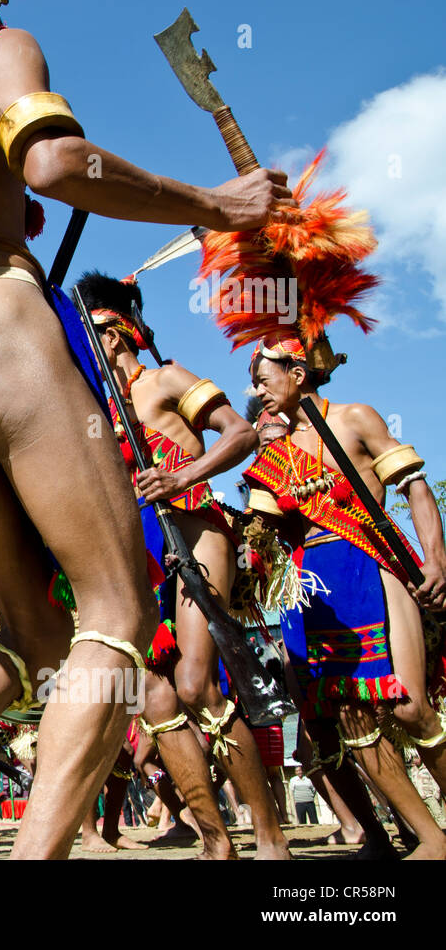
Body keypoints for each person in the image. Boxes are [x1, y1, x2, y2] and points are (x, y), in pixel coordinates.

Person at [0, 0, 292, 860]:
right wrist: (218, 204)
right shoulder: (1, 47)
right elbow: (57, 162)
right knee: (117, 613)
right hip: (0, 327)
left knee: (35, 632)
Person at [76, 270, 289, 859]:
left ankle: (271, 841)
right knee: (155, 697)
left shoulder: (167, 380)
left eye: (89, 333)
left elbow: (239, 434)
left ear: (115, 334)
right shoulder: (92, 407)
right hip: (138, 555)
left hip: (195, 530)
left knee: (196, 686)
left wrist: (180, 476)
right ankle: (217, 841)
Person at [247, 332, 446, 858]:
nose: (259, 393)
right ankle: (427, 839)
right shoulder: (277, 453)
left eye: (264, 382)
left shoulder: (356, 418)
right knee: (345, 717)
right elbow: (258, 534)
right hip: (313, 586)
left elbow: (416, 489)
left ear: (297, 372)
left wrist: (436, 562)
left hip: (372, 564)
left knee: (407, 708)